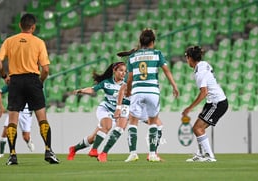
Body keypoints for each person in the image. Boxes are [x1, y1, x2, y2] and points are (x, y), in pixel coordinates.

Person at [0, 13, 59, 165]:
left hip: (15, 81)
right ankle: (48, 150)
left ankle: (12, 155)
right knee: (42, 118)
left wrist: (5, 76)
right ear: (33, 27)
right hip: (32, 80)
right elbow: (46, 69)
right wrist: (40, 82)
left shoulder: (9, 41)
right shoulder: (38, 42)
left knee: (12, 121)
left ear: (20, 26)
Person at [126, 28, 179, 162]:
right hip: (152, 91)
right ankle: (152, 154)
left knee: (133, 122)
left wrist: (128, 91)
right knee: (153, 123)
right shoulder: (157, 54)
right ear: (153, 41)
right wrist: (174, 85)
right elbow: (166, 71)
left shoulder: (132, 56)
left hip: (137, 90)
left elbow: (130, 79)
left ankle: (133, 153)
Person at [67, 62, 128, 161]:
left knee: (93, 138)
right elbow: (92, 90)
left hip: (114, 114)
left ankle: (74, 149)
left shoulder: (126, 84)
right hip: (104, 109)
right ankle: (94, 150)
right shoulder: (106, 82)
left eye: (125, 71)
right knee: (107, 126)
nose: (123, 73)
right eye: (121, 70)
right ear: (114, 71)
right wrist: (81, 90)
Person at [182, 46, 228, 162]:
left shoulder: (200, 73)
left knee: (198, 128)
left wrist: (189, 108)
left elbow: (204, 92)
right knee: (197, 128)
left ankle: (209, 156)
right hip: (214, 101)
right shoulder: (204, 64)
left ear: (190, 58)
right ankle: (200, 154)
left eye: (187, 57)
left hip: (216, 103)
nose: (187, 60)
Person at [0, 85, 34, 158]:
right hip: (14, 109)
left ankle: (29, 140)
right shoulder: (13, 82)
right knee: (6, 131)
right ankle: (1, 153)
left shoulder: (29, 81)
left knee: (25, 137)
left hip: (26, 111)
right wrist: (1, 107)